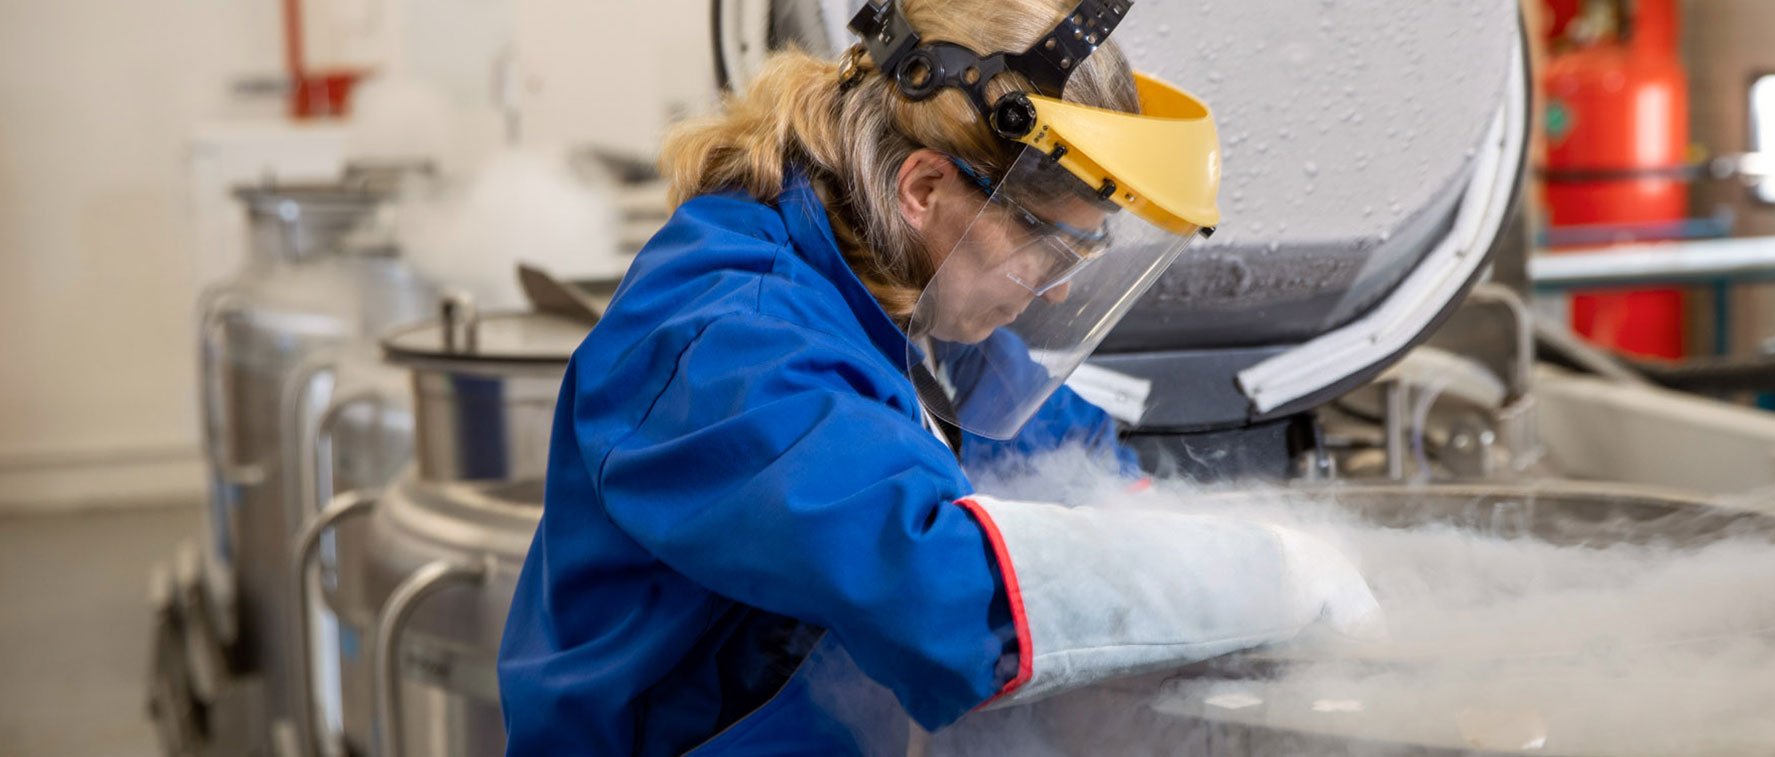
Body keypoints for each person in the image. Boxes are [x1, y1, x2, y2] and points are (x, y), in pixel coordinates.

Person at [496, 0, 1383, 753]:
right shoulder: (726, 340)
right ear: (923, 186)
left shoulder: (900, 299)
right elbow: (944, 591)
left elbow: (1067, 463)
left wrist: (1210, 541)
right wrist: (1267, 575)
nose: (1062, 283)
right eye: (1048, 240)